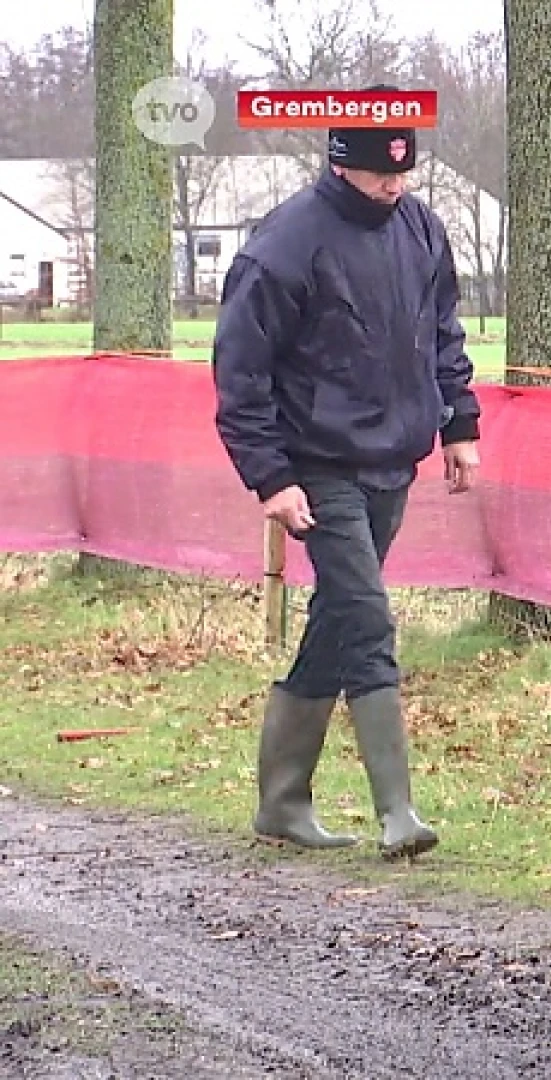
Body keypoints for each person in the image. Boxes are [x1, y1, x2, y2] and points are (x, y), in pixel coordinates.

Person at [211, 89, 481, 861]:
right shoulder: (286, 244)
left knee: (338, 617)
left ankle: (282, 803)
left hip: (395, 459)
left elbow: (443, 333)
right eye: (376, 175)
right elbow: (240, 373)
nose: (393, 186)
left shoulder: (421, 229)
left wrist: (459, 423)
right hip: (316, 466)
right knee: (366, 619)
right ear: (340, 163)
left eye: (402, 172)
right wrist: (270, 477)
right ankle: (398, 813)